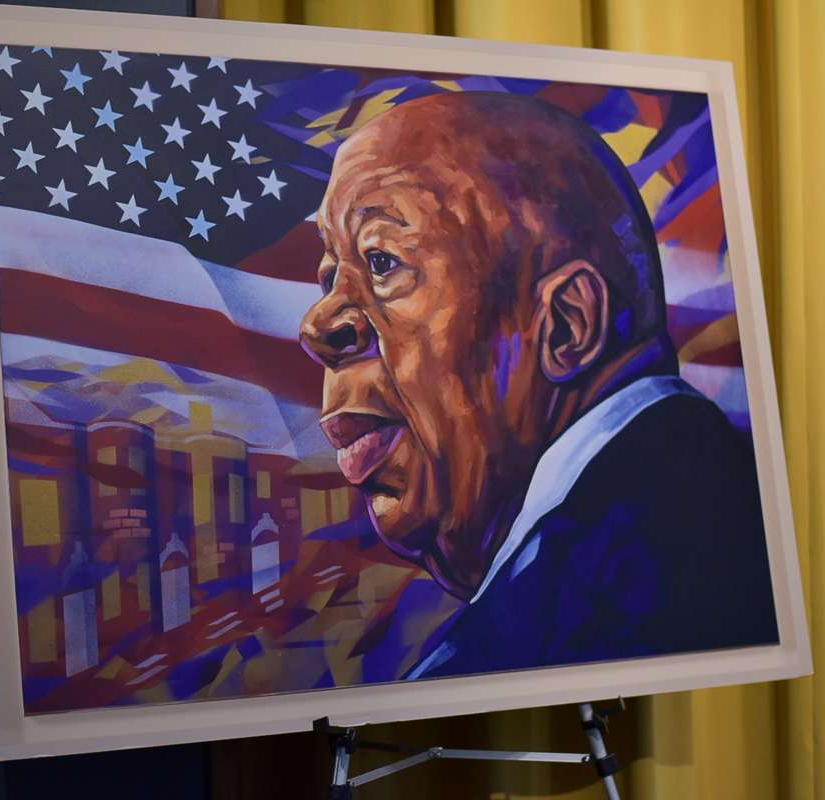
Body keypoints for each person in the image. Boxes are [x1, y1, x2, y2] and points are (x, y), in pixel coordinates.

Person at [298, 91, 778, 680]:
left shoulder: (631, 598)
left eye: (381, 261)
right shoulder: (719, 519)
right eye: (329, 276)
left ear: (567, 325)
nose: (317, 325)